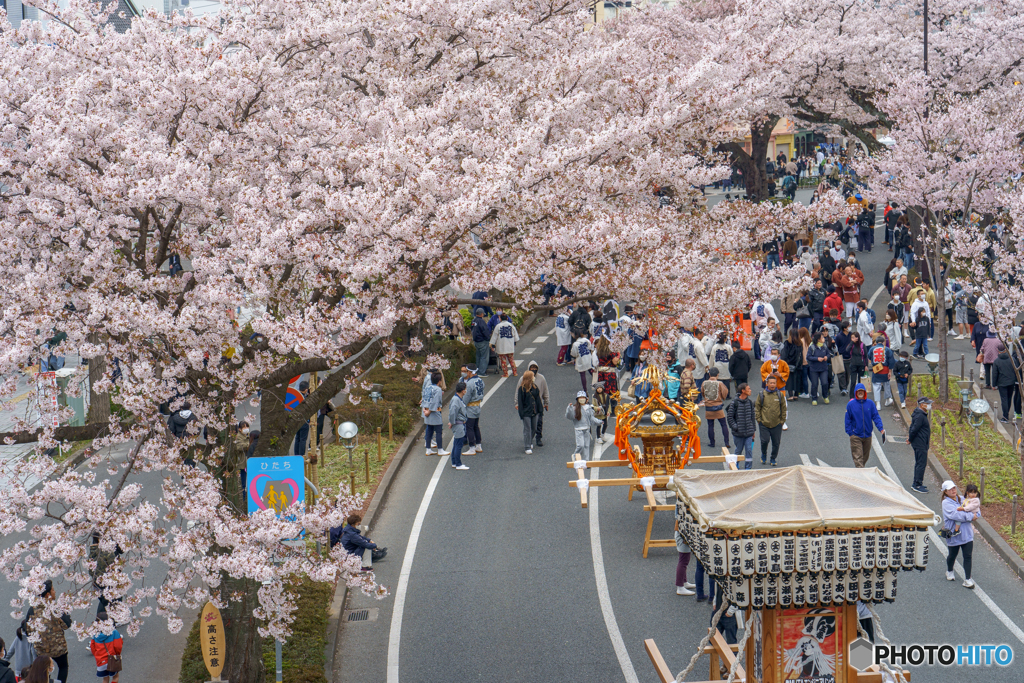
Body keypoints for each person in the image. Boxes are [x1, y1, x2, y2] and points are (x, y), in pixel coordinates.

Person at [25, 581, 69, 683]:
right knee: (63, 667)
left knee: (43, 670)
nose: (55, 592)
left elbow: (27, 630)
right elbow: (67, 624)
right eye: (53, 589)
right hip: (58, 647)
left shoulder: (32, 609)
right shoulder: (55, 607)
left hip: (42, 649)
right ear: (48, 594)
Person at [941, 481, 979, 589]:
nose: (953, 490)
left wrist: (972, 514)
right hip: (953, 534)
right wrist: (970, 516)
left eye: (954, 488)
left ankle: (968, 579)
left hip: (967, 533)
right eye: (950, 489)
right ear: (945, 492)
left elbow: (977, 509)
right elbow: (955, 515)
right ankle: (949, 570)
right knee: (952, 555)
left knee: (968, 556)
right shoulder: (946, 503)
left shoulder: (963, 499)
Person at [844, 383, 885, 467]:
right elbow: (847, 420)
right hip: (855, 435)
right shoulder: (851, 405)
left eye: (862, 391)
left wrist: (881, 428)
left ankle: (860, 473)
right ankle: (861, 476)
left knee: (864, 458)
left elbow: (876, 416)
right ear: (856, 392)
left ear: (865, 392)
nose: (860, 393)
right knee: (858, 459)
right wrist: (850, 433)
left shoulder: (870, 404)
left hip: (867, 436)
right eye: (858, 391)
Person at [514, 360, 550, 446]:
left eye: (535, 368)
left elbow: (545, 391)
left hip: (538, 405)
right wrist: (517, 403)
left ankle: (538, 438)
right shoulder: (522, 379)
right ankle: (528, 442)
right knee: (528, 426)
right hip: (527, 406)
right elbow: (517, 392)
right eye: (532, 368)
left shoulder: (541, 378)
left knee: (538, 423)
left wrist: (546, 402)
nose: (533, 369)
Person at [755, 374, 787, 466]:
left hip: (777, 424)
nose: (772, 385)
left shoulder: (780, 395)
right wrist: (758, 419)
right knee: (764, 441)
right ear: (767, 384)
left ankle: (773, 458)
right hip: (764, 424)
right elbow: (757, 407)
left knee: (776, 443)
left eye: (774, 383)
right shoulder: (762, 395)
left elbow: (784, 408)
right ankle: (763, 454)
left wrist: (782, 421)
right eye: (771, 383)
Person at [726, 383, 757, 469]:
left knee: (749, 451)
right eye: (748, 389)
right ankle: (735, 466)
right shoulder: (734, 403)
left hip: (749, 433)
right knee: (738, 451)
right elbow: (729, 417)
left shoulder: (750, 402)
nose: (750, 390)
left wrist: (753, 430)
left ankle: (748, 469)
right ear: (743, 391)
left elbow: (752, 417)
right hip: (738, 433)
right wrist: (736, 427)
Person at [566, 390, 602, 458]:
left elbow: (592, 418)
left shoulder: (589, 407)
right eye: (580, 398)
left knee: (586, 446)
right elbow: (570, 416)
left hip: (587, 429)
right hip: (578, 429)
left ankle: (586, 461)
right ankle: (575, 456)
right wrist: (569, 409)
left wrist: (599, 422)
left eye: (583, 397)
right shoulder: (574, 408)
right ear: (577, 399)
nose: (582, 399)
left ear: (586, 399)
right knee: (580, 445)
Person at [907, 397, 933, 493]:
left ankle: (918, 483)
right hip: (920, 443)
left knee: (920, 463)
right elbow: (914, 429)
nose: (929, 405)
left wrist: (910, 439)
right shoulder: (920, 416)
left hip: (920, 442)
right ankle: (917, 484)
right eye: (927, 403)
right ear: (922, 405)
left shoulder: (919, 414)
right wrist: (910, 439)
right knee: (921, 464)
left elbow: (913, 427)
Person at [420, 371, 448, 456]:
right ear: (439, 381)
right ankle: (440, 449)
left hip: (427, 410)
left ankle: (428, 449)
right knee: (438, 431)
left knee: (429, 431)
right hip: (434, 412)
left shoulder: (428, 388)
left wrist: (425, 410)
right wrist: (429, 411)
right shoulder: (438, 389)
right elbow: (435, 402)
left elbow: (424, 399)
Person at [89, 612, 122, 683]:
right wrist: (117, 654)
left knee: (105, 679)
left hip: (101, 661)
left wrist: (97, 656)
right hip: (112, 658)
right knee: (115, 677)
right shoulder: (114, 632)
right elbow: (118, 646)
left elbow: (92, 647)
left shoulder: (95, 633)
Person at [701, 368, 730, 449]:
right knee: (723, 424)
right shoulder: (720, 383)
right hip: (718, 407)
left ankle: (712, 442)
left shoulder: (704, 383)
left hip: (709, 407)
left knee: (710, 425)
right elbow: (725, 392)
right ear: (718, 374)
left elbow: (702, 392)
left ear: (709, 374)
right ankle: (727, 442)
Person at [993, 345, 1022, 422]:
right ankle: (1007, 413)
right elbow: (1016, 370)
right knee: (1009, 398)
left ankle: (1005, 416)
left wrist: (994, 385)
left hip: (1002, 383)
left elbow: (994, 374)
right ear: (1006, 350)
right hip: (1011, 382)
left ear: (997, 350)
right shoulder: (1012, 359)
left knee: (1004, 399)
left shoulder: (996, 361)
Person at [517, 371, 543, 455]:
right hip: (526, 412)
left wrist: (540, 410)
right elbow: (520, 402)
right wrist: (521, 413)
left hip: (534, 411)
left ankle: (530, 440)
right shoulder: (522, 389)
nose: (534, 378)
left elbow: (538, 400)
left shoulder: (535, 388)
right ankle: (527, 446)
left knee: (534, 428)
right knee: (527, 429)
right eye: (532, 377)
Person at [867, 333, 895, 408]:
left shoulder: (872, 349)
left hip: (876, 369)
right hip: (885, 370)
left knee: (876, 386)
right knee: (886, 385)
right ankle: (888, 399)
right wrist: (890, 372)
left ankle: (878, 403)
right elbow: (891, 361)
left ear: (876, 342)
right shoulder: (887, 349)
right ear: (883, 342)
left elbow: (869, 357)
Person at [489, 313, 519, 377]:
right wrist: (514, 342)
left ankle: (506, 373)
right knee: (511, 359)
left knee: (503, 361)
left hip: (501, 346)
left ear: (500, 319)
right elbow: (515, 336)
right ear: (507, 318)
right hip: (510, 346)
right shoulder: (511, 325)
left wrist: (492, 344)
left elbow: (494, 337)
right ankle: (515, 372)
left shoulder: (498, 326)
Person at [447, 381, 470, 468]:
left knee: (456, 443)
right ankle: (458, 464)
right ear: (463, 391)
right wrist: (452, 422)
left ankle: (454, 462)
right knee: (459, 444)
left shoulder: (457, 399)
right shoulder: (456, 400)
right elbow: (453, 412)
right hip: (458, 424)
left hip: (458, 423)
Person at [463, 365, 485, 453]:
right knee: (476, 426)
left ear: (469, 372)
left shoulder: (470, 383)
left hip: (470, 407)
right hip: (477, 405)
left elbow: (466, 397)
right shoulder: (480, 380)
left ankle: (472, 447)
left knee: (469, 427)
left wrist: (462, 405)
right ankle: (478, 444)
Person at [806, 332, 830, 405]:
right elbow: (808, 357)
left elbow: (828, 354)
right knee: (814, 384)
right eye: (822, 338)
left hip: (823, 368)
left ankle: (825, 396)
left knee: (825, 383)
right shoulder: (812, 347)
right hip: (814, 369)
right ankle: (814, 398)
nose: (824, 339)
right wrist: (817, 359)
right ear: (818, 339)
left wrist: (827, 357)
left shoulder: (824, 346)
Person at [781, 329, 804, 400]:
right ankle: (796, 395)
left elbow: (784, 354)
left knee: (789, 380)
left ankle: (790, 395)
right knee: (797, 379)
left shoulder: (787, 343)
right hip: (797, 364)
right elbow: (801, 355)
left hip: (789, 364)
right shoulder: (800, 343)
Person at [675, 522, 696, 596]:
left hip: (683, 533)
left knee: (685, 559)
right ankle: (680, 587)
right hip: (683, 534)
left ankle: (684, 582)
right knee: (683, 561)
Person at [471, 308, 492, 375]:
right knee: (484, 357)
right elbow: (485, 331)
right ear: (482, 314)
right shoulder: (481, 321)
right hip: (482, 341)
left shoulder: (473, 321)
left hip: (476, 341)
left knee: (478, 357)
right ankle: (482, 372)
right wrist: (488, 338)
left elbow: (472, 329)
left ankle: (477, 371)